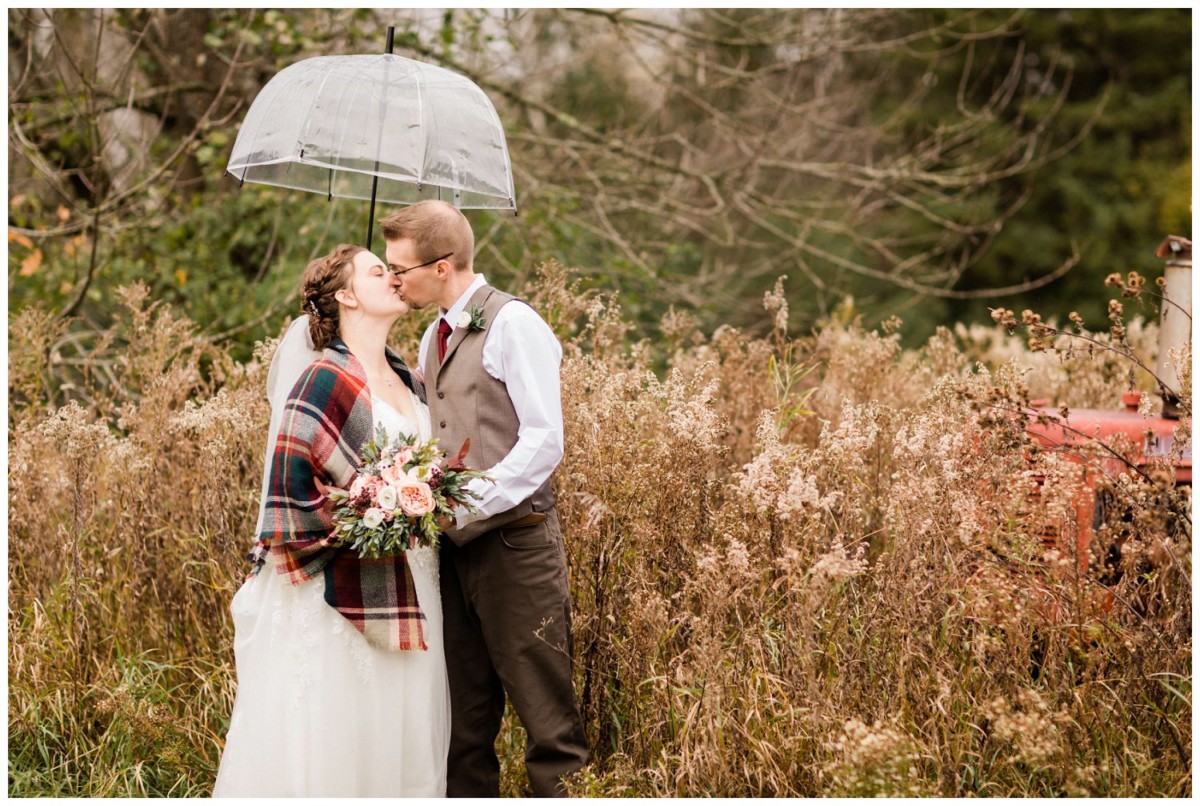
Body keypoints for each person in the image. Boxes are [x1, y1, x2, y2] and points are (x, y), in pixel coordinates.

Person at [213, 244, 450, 797]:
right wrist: (370, 509)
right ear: (346, 295)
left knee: (405, 729)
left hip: (416, 581)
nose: (392, 277)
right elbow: (289, 491)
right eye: (376, 271)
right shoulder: (323, 378)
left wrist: (413, 500)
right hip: (337, 592)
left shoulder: (410, 380)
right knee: (341, 731)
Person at [381, 200, 590, 797]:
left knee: (547, 717)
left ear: (442, 266)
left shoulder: (514, 324)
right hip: (451, 554)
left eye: (402, 269)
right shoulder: (430, 337)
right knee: (463, 725)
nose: (396, 281)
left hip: (515, 546)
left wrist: (467, 500)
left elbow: (545, 439)